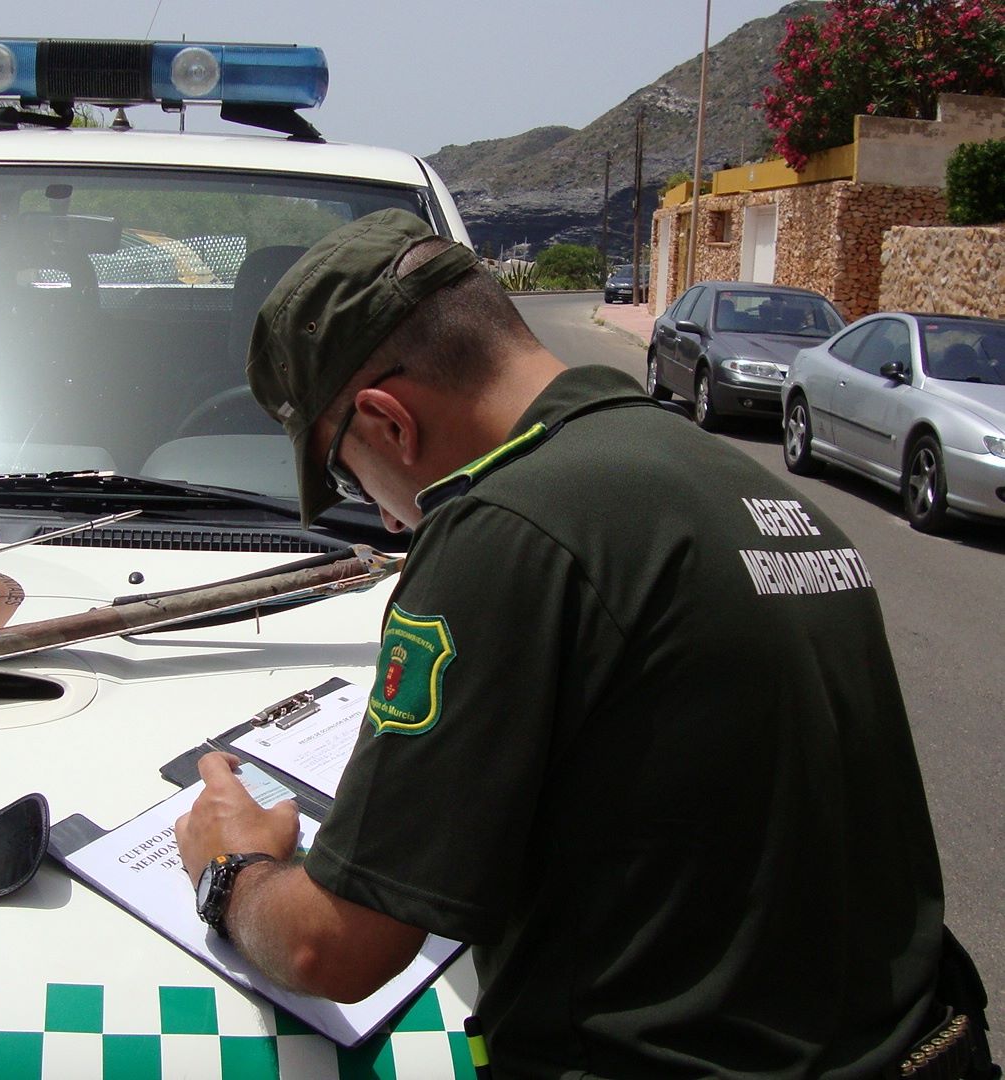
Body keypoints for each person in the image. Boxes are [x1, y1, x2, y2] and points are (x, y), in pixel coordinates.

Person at [174, 210, 991, 1077]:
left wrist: (231, 869)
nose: (378, 513)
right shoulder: (731, 482)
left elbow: (330, 951)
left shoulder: (502, 527)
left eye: (344, 471)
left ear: (388, 422)